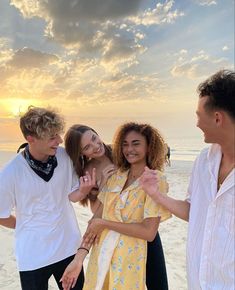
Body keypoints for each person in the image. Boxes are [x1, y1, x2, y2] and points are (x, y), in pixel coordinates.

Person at [140, 70, 235, 290]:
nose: (197, 123)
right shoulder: (203, 161)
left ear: (217, 118)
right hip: (197, 282)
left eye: (198, 115)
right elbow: (194, 211)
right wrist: (156, 194)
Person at [61, 122, 171, 290]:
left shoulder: (151, 178)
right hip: (108, 242)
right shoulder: (101, 173)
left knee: (158, 284)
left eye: (94, 139)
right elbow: (98, 214)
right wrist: (78, 259)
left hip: (139, 237)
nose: (96, 146)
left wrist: (103, 223)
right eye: (87, 147)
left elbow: (148, 231)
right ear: (81, 153)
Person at [0, 107, 85, 290]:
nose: (60, 141)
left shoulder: (64, 156)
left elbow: (73, 194)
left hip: (68, 249)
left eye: (58, 134)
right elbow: (1, 214)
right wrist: (24, 223)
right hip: (33, 256)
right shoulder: (10, 173)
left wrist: (85, 189)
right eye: (52, 137)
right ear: (31, 138)